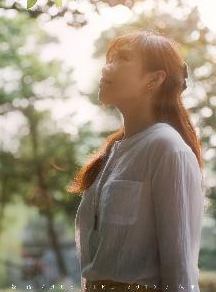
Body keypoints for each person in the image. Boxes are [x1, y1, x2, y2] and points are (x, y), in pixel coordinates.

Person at [67, 30, 205, 292]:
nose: (107, 67)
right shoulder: (110, 154)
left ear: (154, 79)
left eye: (121, 59)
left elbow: (180, 270)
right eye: (109, 59)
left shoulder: (167, 149)